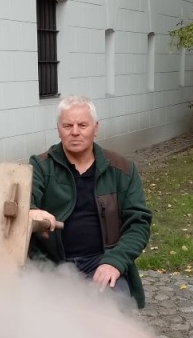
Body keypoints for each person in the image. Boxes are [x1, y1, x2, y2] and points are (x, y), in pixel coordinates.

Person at [28, 95, 153, 308]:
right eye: (67, 125)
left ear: (96, 128)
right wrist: (31, 211)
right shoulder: (41, 166)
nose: (75, 132)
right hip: (51, 265)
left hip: (101, 261)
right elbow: (22, 203)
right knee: (41, 320)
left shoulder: (122, 170)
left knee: (115, 312)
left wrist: (115, 262)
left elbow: (138, 224)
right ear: (58, 129)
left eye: (82, 125)